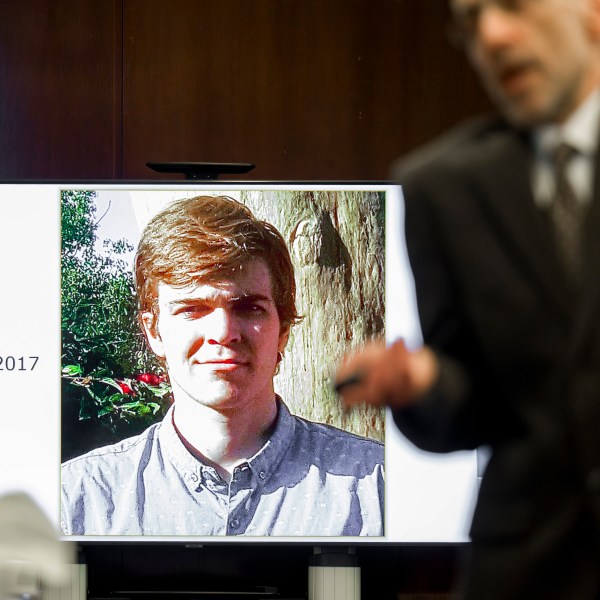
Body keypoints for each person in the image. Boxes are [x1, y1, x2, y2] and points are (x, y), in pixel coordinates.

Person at [336, 0, 600, 597]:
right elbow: (474, 406)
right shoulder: (444, 188)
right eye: (471, 19)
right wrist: (423, 383)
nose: (492, 35)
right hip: (529, 571)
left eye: (513, 5)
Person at [61, 195, 384, 537]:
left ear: (283, 331)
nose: (223, 333)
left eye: (248, 307)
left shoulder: (377, 488)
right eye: (192, 309)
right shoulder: (81, 500)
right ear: (154, 331)